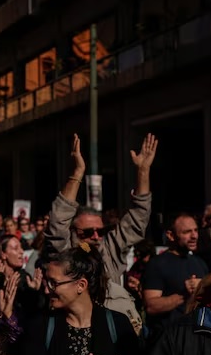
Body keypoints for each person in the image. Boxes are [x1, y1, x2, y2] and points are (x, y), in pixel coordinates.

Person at [45, 133, 158, 331]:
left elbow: (138, 218)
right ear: (73, 232)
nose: (96, 237)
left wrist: (143, 170)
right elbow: (58, 220)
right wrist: (78, 172)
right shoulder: (64, 255)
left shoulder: (109, 249)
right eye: (87, 232)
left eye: (101, 231)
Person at [23, 246, 142, 355]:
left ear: (81, 285)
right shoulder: (41, 324)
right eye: (47, 282)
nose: (47, 290)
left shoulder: (117, 323)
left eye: (54, 283)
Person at [141, 213, 209, 339]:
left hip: (196, 338)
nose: (194, 236)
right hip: (166, 340)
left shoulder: (200, 263)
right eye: (187, 232)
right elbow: (151, 306)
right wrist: (184, 295)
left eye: (195, 230)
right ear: (171, 235)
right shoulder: (157, 264)